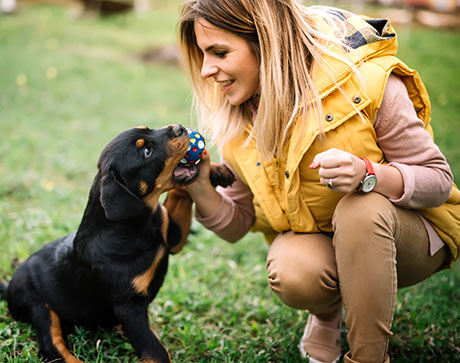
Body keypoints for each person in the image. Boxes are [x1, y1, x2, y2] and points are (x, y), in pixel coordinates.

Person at [178, 0, 460, 362]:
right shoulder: (239, 118)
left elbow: (438, 181)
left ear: (267, 41)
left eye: (219, 52)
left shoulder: (367, 82)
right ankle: (328, 313)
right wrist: (200, 184)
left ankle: (367, 357)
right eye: (203, 55)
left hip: (413, 235)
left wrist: (369, 174)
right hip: (326, 238)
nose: (206, 71)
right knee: (295, 271)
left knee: (362, 209)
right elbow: (238, 224)